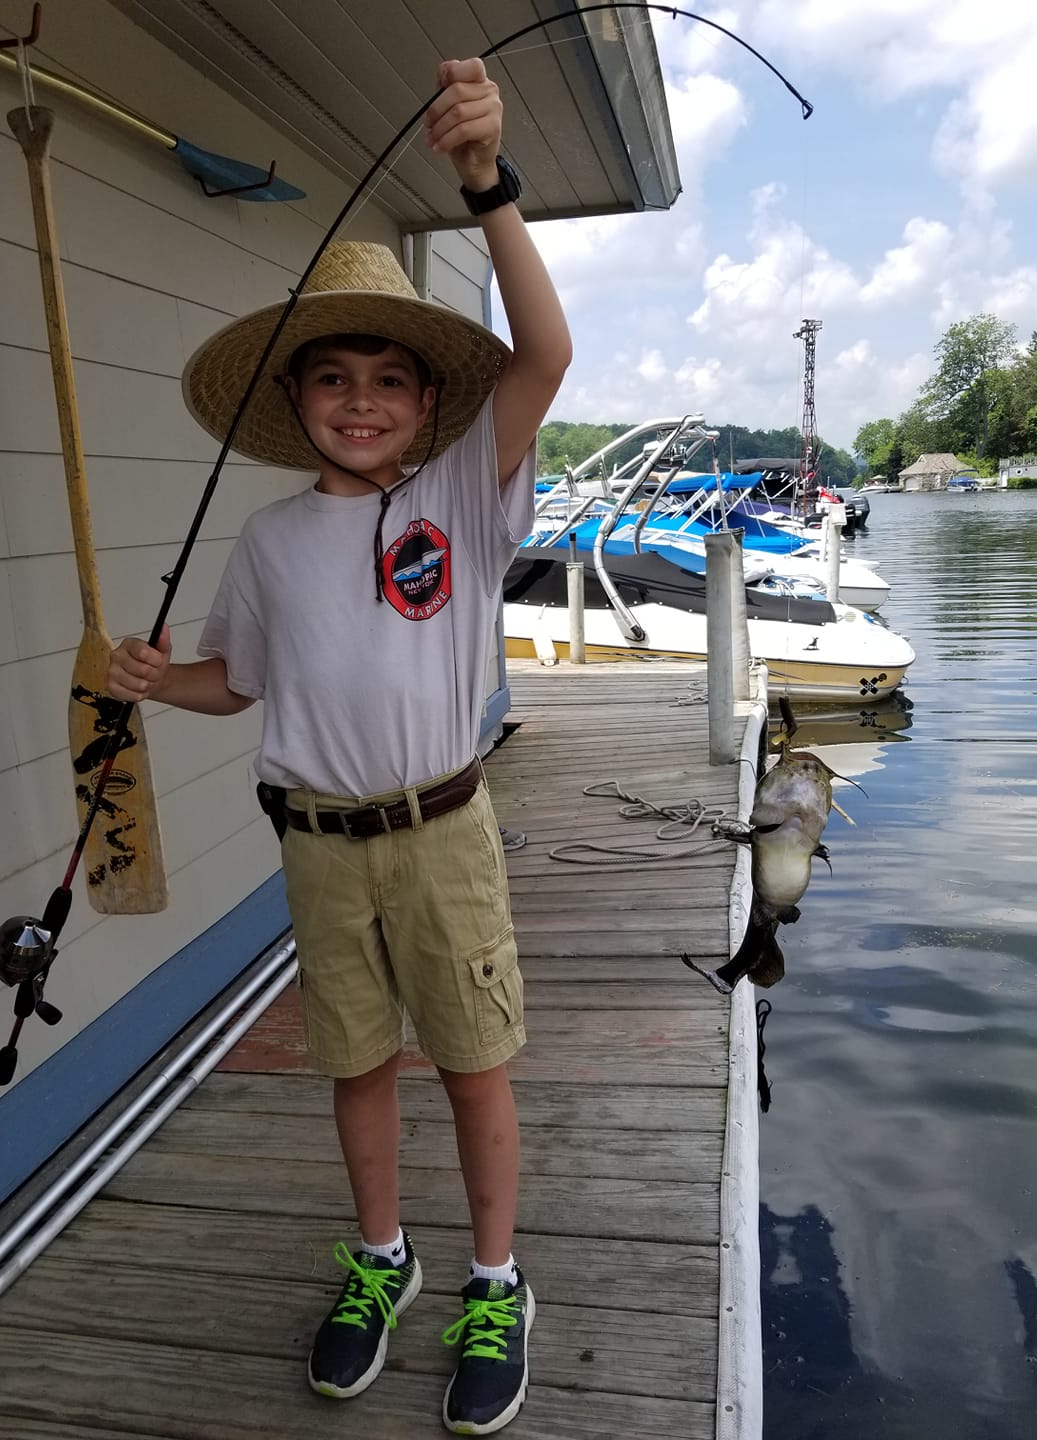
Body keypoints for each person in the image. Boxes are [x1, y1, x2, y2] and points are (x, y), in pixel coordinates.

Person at [108, 56, 570, 1436]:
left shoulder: (465, 497)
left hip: (443, 834)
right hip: (314, 850)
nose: (360, 400)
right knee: (354, 1066)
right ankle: (383, 1257)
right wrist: (151, 681)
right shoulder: (264, 542)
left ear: (428, 406)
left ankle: (497, 1278)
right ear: (295, 399)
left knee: (475, 1062)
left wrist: (485, 185)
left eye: (387, 380)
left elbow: (545, 356)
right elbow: (238, 686)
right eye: (332, 379)